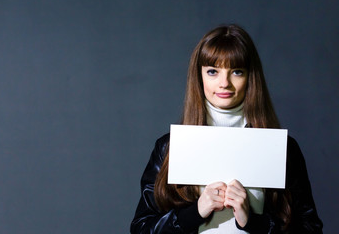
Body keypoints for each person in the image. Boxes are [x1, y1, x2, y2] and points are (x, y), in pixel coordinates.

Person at [130, 24, 323, 233]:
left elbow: (310, 229)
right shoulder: (170, 147)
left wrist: (252, 221)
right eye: (213, 71)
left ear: (250, 76)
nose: (224, 83)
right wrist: (196, 211)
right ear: (199, 75)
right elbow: (142, 229)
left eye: (236, 71)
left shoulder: (281, 149)